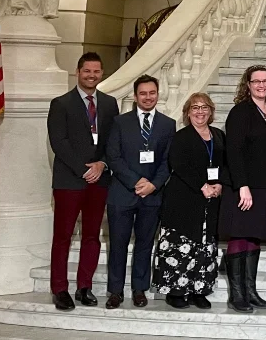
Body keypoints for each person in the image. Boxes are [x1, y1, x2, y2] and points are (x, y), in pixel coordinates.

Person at [46, 52, 119, 311]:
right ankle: (59, 288)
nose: (92, 75)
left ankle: (84, 287)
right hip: (69, 181)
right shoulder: (61, 103)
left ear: (102, 73)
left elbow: (113, 141)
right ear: (78, 72)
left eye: (97, 71)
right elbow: (59, 142)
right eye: (87, 71)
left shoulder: (110, 104)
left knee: (92, 235)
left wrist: (101, 165)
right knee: (63, 236)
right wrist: (83, 169)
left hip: (99, 180)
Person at [104, 75, 176, 309]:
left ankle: (139, 289)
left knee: (145, 245)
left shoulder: (168, 124)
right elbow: (113, 157)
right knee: (118, 244)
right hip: (123, 193)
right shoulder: (119, 122)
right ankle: (115, 291)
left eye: (152, 93)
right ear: (135, 97)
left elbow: (168, 160)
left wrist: (154, 184)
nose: (148, 97)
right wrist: (137, 182)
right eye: (143, 93)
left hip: (152, 196)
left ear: (158, 94)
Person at [153, 92, 226, 309]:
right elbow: (178, 164)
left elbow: (226, 163)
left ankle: (199, 290)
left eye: (204, 107)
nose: (200, 111)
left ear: (211, 111)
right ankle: (175, 291)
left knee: (204, 247)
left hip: (210, 201)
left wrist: (220, 184)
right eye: (195, 107)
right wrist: (202, 186)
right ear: (187, 112)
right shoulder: (181, 136)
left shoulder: (218, 135)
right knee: (180, 246)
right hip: (184, 200)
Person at [219, 64, 266, 313]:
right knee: (240, 234)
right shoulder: (240, 112)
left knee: (253, 234)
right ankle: (237, 295)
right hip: (245, 186)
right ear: (248, 85)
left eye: (265, 81)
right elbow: (234, 152)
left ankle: (251, 290)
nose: (261, 85)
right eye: (256, 81)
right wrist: (242, 186)